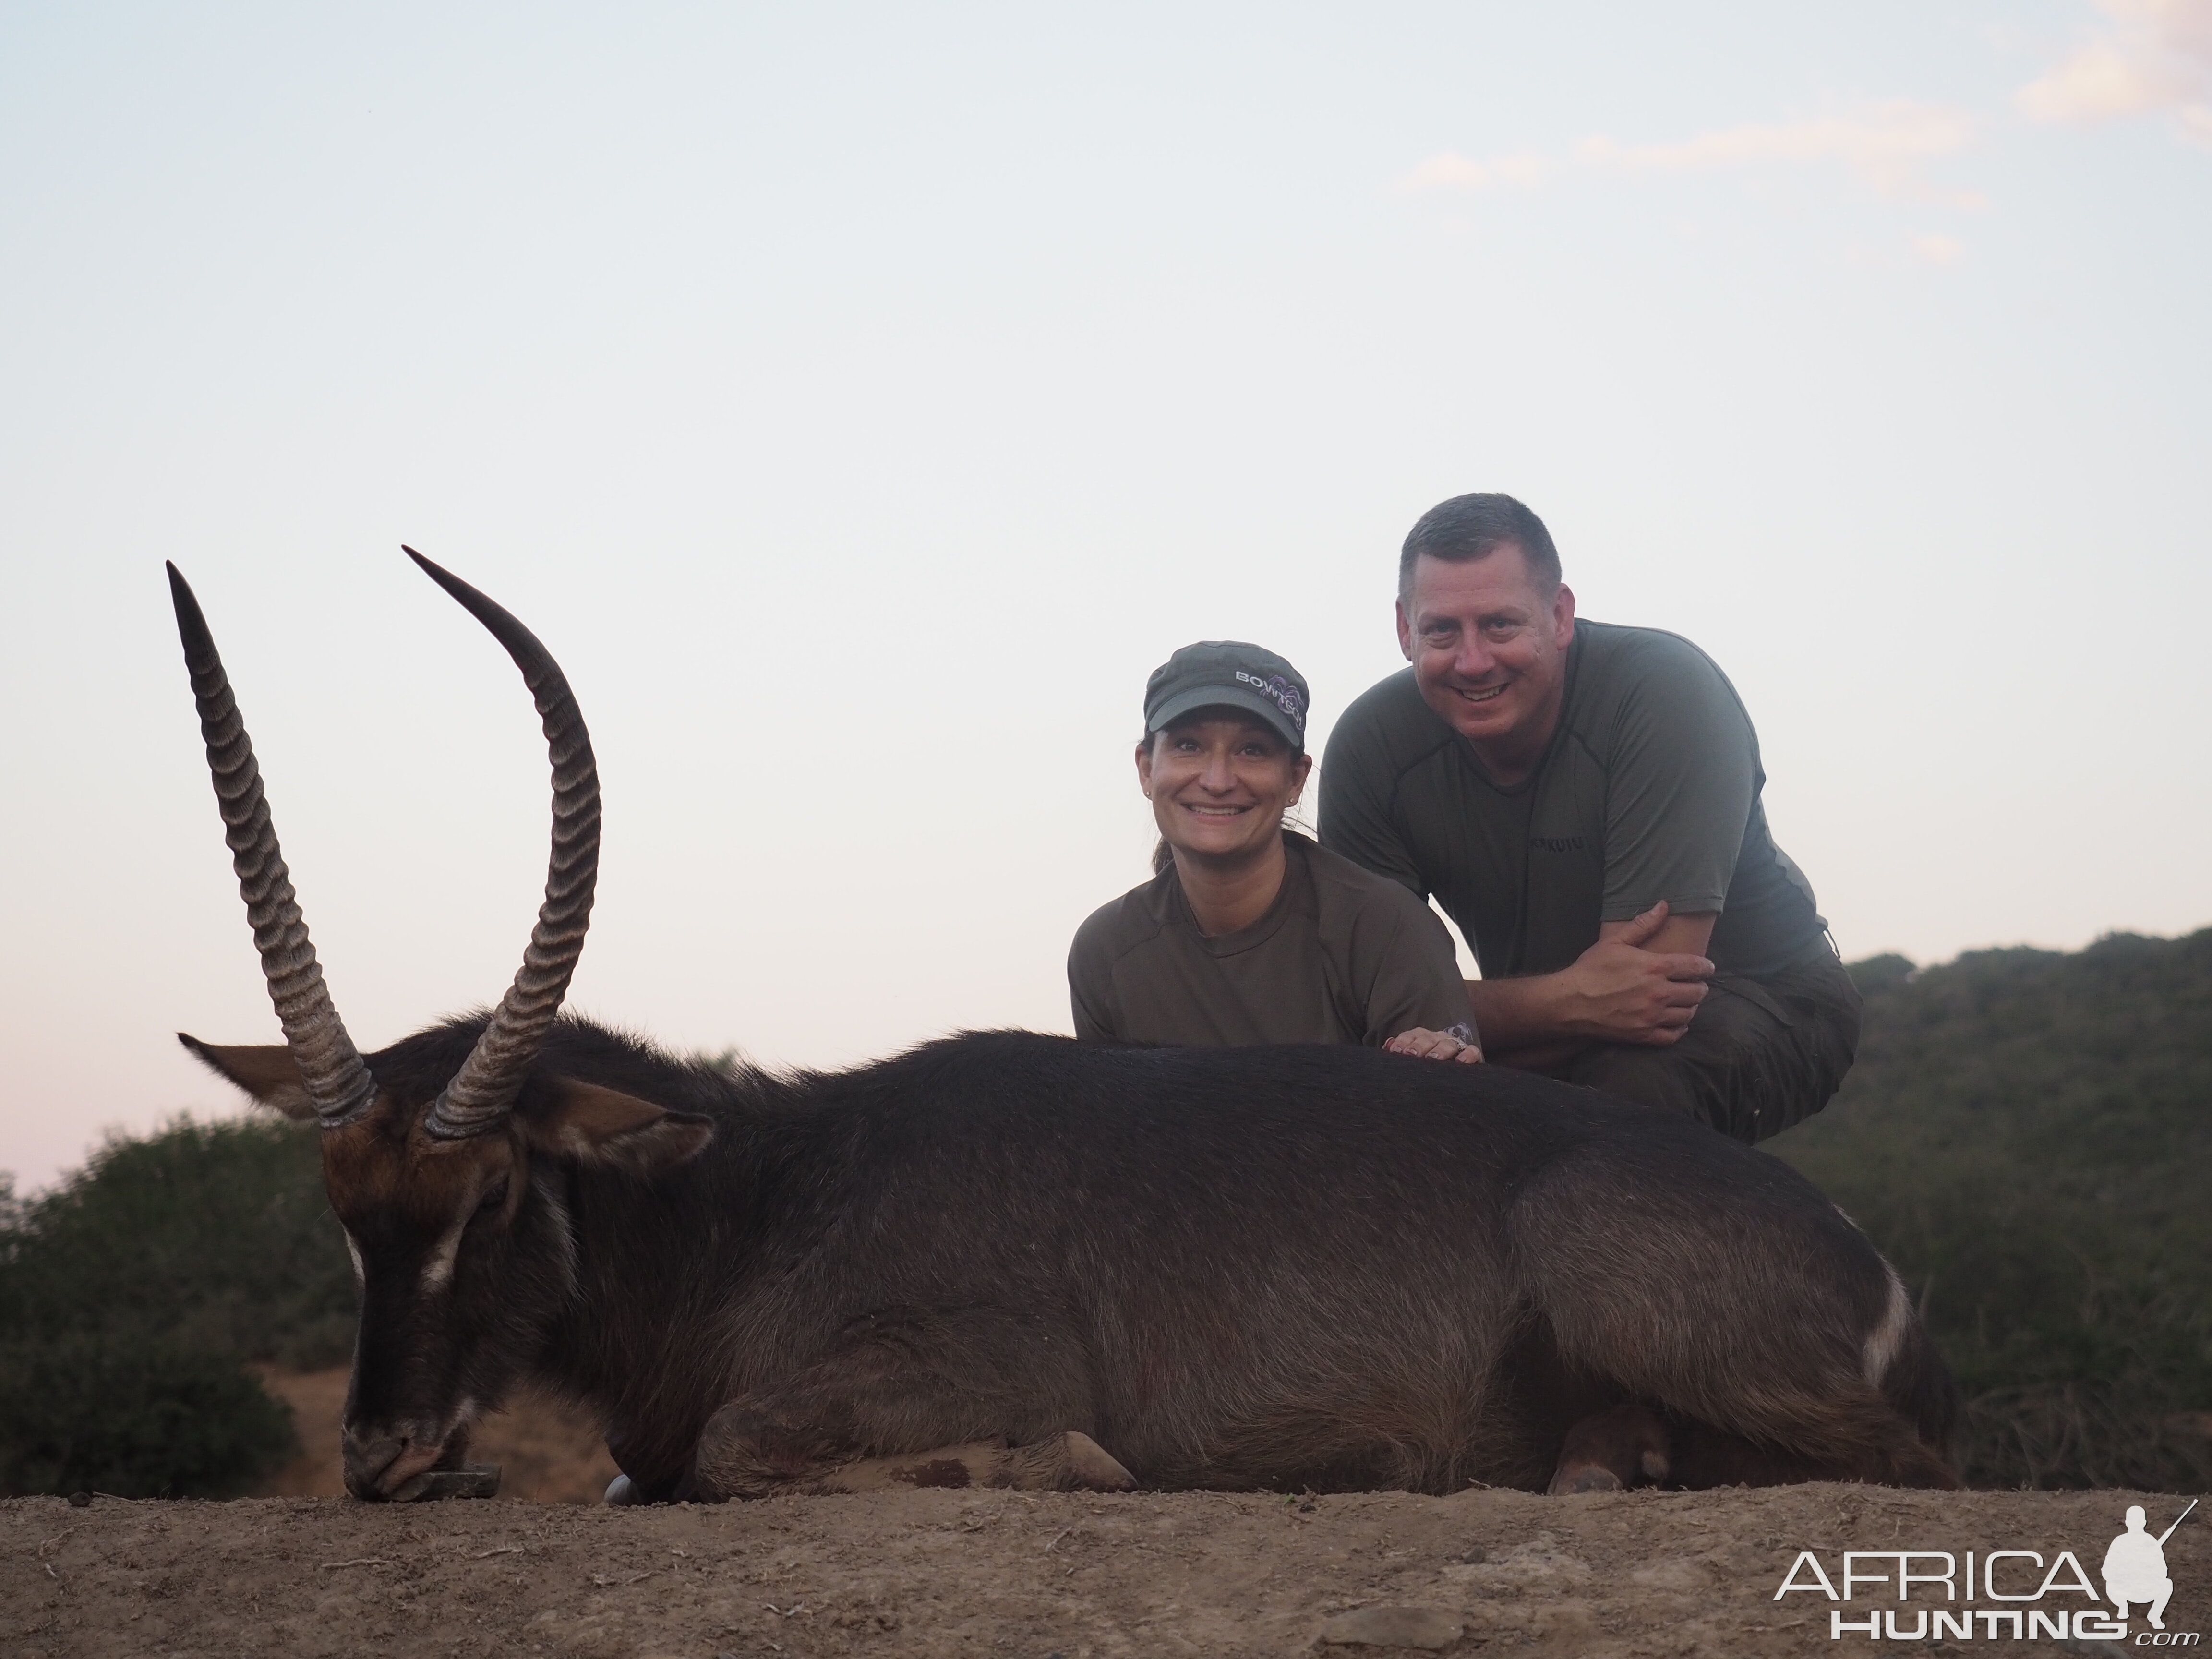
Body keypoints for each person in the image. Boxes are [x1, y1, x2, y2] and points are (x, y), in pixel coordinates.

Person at [1318, 493, 1859, 1142]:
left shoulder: (1664, 692)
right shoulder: (1367, 750)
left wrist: (1459, 1021)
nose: (1473, 661)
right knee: (1375, 1094)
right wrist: (1561, 1001)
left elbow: (1644, 1001)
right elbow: (1365, 1008)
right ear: (1405, 631)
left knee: (1625, 1091)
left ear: (1560, 615)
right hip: (1566, 1025)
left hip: (1763, 996)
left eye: (1500, 625)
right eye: (1441, 631)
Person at [1070, 640, 1479, 1060]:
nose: (1217, 780)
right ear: (1146, 769)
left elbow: (1443, 1113)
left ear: (1295, 780)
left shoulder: (1386, 927)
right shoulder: (1105, 953)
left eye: (1252, 750)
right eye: (1189, 745)